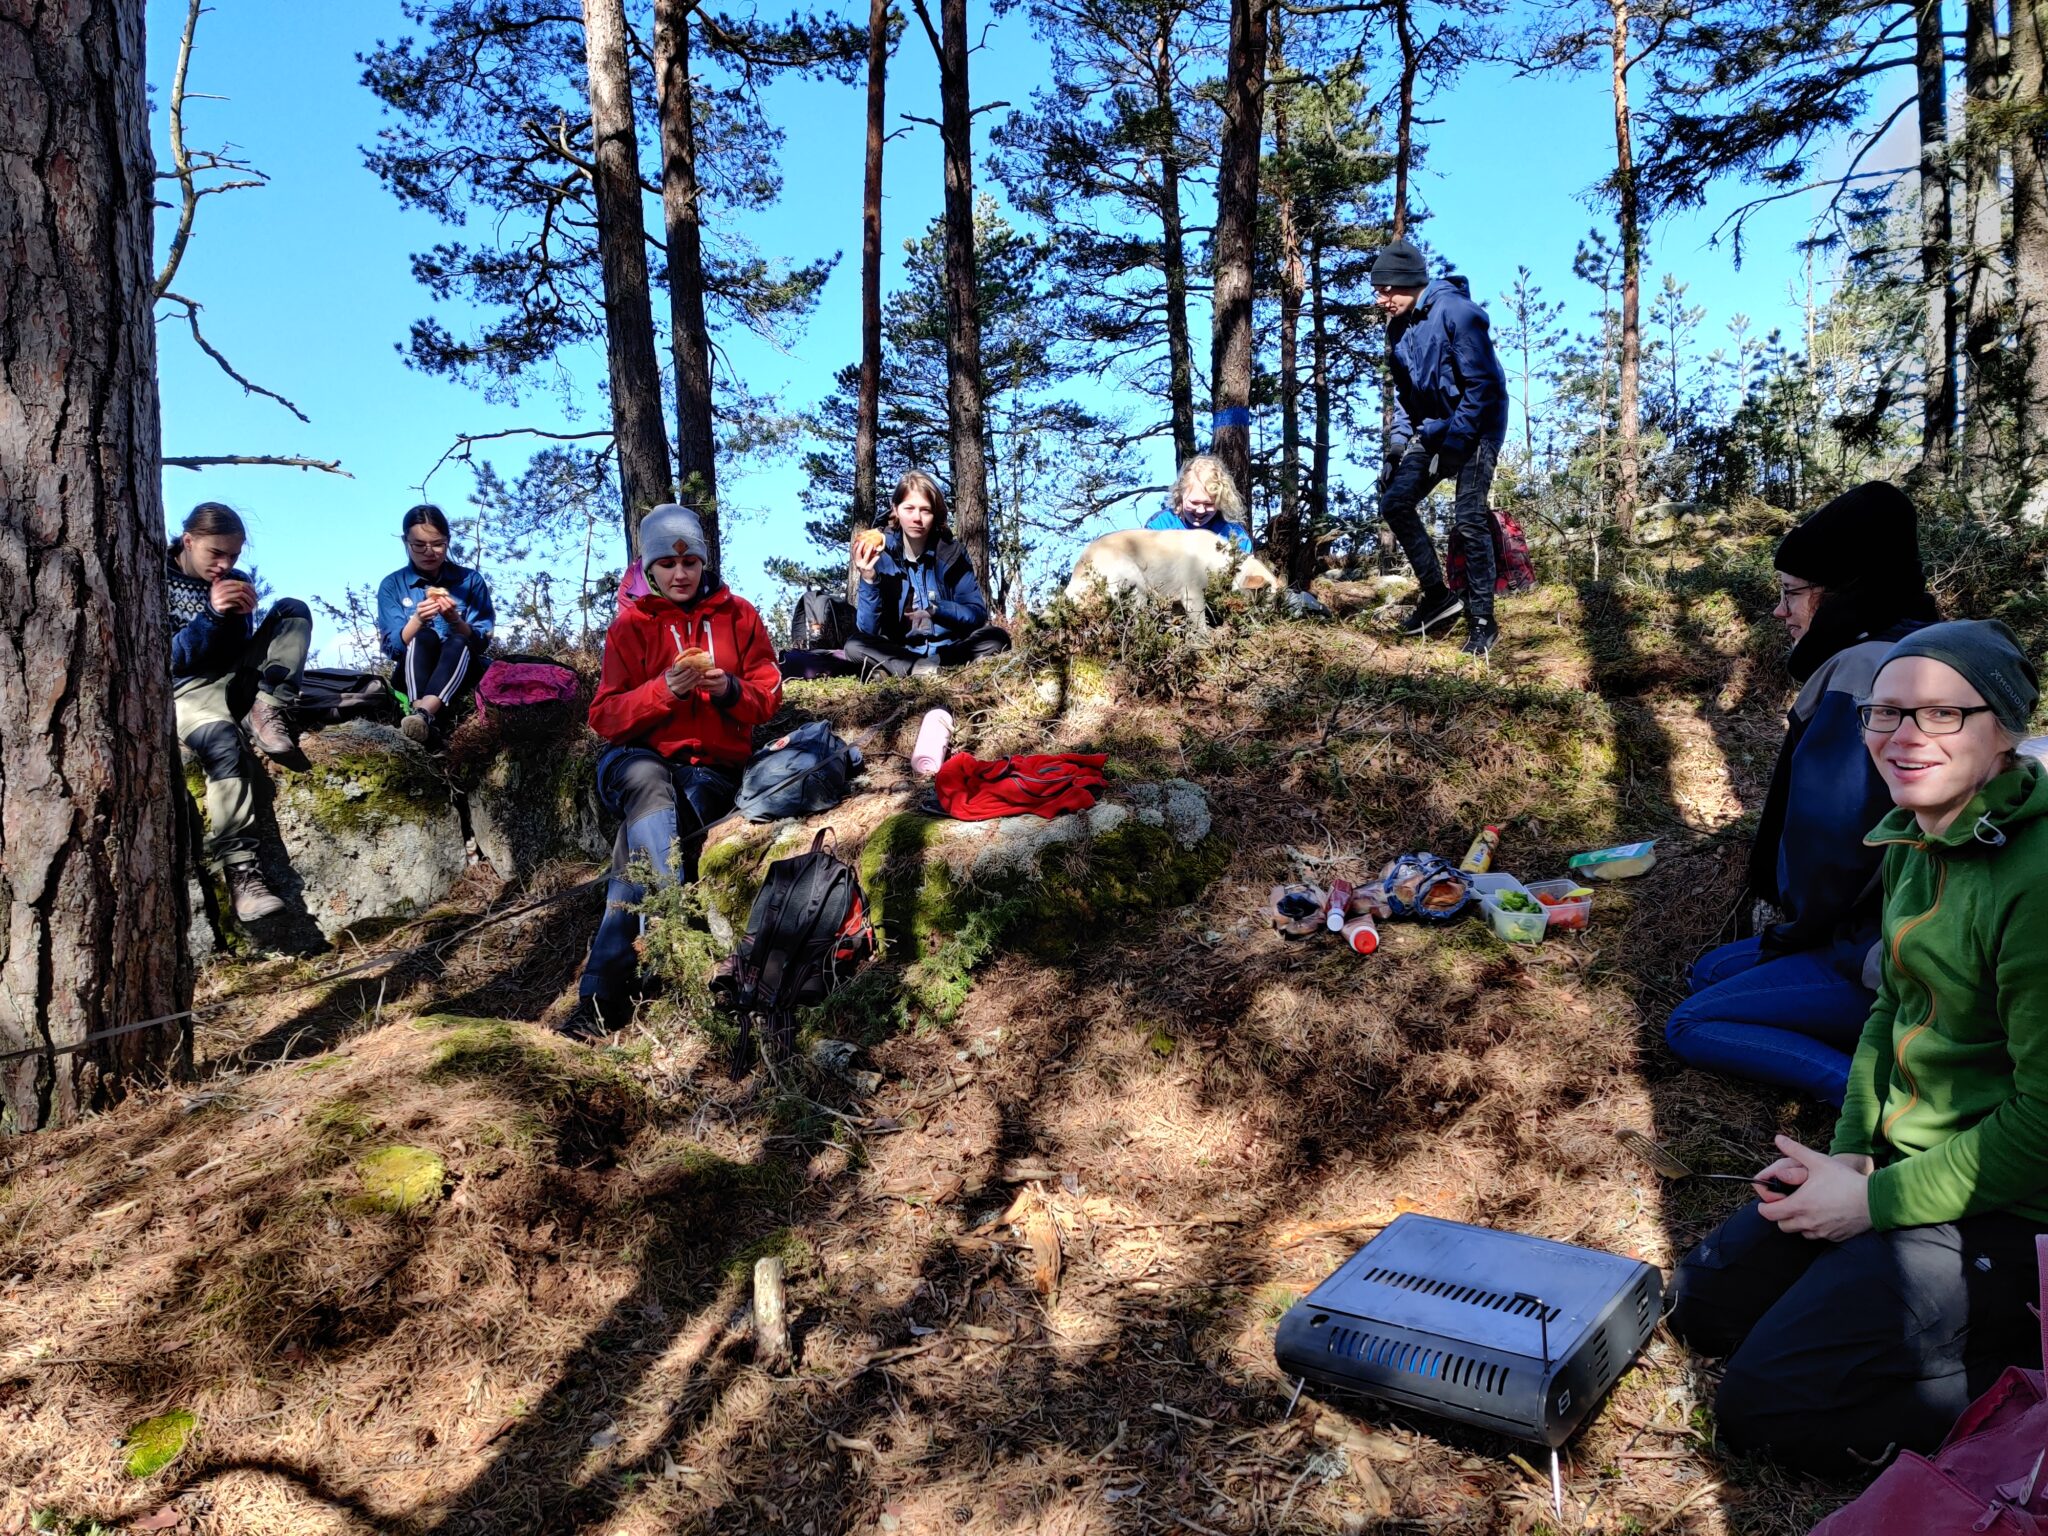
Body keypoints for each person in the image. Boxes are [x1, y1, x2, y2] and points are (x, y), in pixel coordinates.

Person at [1667, 619, 2048, 1474]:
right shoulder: (1921, 833)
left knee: (1766, 1407)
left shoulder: (2038, 879)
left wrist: (1873, 1207)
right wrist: (1850, 1160)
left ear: (2005, 730)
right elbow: (1888, 1012)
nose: (1902, 739)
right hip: (1914, 1164)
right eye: (1884, 714)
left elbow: (2044, 1125)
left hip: (2019, 1208)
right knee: (1703, 1308)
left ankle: (2020, 1359)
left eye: (1941, 715)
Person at [1665, 483, 1939, 1105]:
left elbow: (1833, 843)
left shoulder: (1862, 671)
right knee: (1707, 971)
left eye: (1792, 594)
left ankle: (1881, 1101)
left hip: (1886, 953)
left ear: (1844, 593)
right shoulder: (1929, 649)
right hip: (1896, 927)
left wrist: (1795, 930)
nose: (1780, 611)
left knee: (1690, 1021)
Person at [566, 503, 783, 1037]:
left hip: (711, 769)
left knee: (639, 845)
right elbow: (606, 717)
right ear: (648, 567)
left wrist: (729, 689)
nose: (680, 574)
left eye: (689, 563)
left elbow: (769, 695)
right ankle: (669, 911)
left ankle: (599, 1001)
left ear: (703, 561)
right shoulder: (631, 626)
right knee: (649, 785)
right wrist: (664, 691)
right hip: (637, 758)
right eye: (666, 564)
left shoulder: (740, 616)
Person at [165, 502, 313, 922]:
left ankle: (267, 708)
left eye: (234, 554)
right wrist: (212, 614)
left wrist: (236, 618)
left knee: (291, 609)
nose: (225, 564)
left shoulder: (235, 579)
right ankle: (243, 876)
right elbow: (168, 659)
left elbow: (233, 652)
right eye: (216, 553)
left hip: (236, 680)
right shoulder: (151, 573)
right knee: (223, 744)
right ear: (189, 541)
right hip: (187, 690)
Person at [1371, 237, 1509, 657]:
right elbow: (1405, 399)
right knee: (1395, 503)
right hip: (1435, 429)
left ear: (1405, 284)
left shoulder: (1457, 313)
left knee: (1468, 516)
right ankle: (1438, 597)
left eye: (1384, 290)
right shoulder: (1397, 328)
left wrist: (1457, 443)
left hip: (1478, 425)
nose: (1379, 299)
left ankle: (1483, 621)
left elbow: (1482, 386)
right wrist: (1398, 449)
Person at [847, 470, 1012, 678]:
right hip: (901, 650)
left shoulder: (952, 553)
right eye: (909, 508)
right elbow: (869, 630)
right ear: (895, 509)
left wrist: (936, 610)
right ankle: (915, 667)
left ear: (935, 514)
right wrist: (868, 578)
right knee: (853, 645)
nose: (917, 518)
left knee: (997, 637)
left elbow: (977, 614)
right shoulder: (881, 554)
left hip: (950, 649)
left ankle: (920, 667)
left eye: (925, 510)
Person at [374, 504, 496, 746]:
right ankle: (423, 715)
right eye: (419, 545)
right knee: (424, 636)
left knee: (458, 639)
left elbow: (480, 643)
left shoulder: (469, 580)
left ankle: (422, 714)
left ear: (448, 541)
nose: (429, 552)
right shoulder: (393, 585)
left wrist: (455, 620)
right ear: (405, 542)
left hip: (461, 668)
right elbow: (394, 649)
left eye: (438, 544)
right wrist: (417, 620)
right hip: (413, 668)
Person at [1144, 454, 1254, 553]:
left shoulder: (1234, 535)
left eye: (1209, 504)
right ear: (1181, 494)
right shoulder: (1160, 525)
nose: (1200, 510)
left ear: (1220, 502)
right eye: (1194, 502)